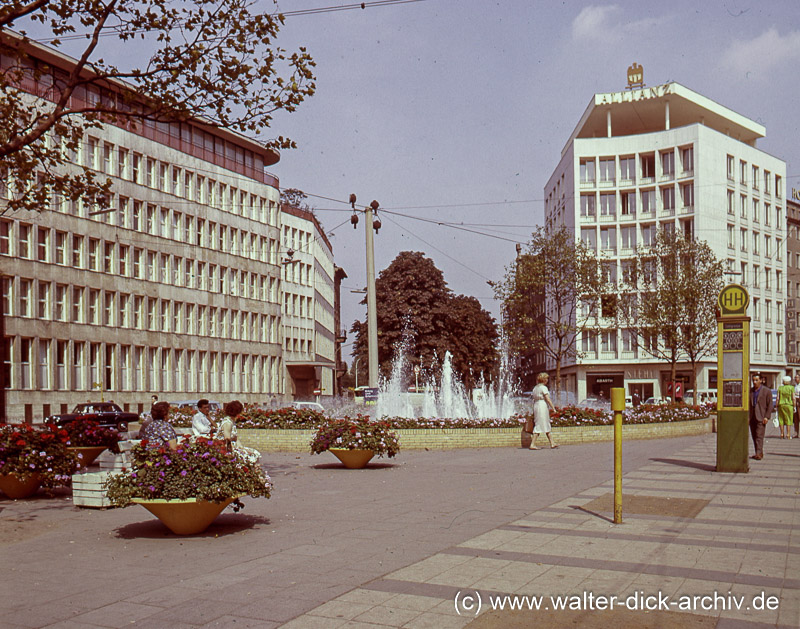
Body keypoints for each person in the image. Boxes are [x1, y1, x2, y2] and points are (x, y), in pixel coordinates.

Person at [530, 372, 558, 450]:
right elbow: (547, 399)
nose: (547, 380)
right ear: (544, 380)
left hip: (536, 405)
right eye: (546, 379)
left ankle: (552, 443)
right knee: (540, 424)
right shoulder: (543, 388)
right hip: (542, 405)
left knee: (545, 423)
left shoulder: (535, 388)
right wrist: (553, 408)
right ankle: (532, 444)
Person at [749, 374, 773, 460]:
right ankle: (758, 452)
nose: (754, 382)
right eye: (753, 380)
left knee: (759, 435)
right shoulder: (750, 391)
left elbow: (770, 405)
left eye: (756, 380)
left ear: (761, 380)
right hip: (752, 417)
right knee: (754, 436)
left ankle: (758, 453)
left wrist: (767, 416)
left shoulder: (766, 391)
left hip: (761, 416)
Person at [794, 374, 800, 439]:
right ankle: (796, 432)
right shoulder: (795, 386)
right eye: (795, 377)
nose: (796, 379)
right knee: (796, 419)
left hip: (799, 402)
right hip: (795, 402)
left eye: (797, 377)